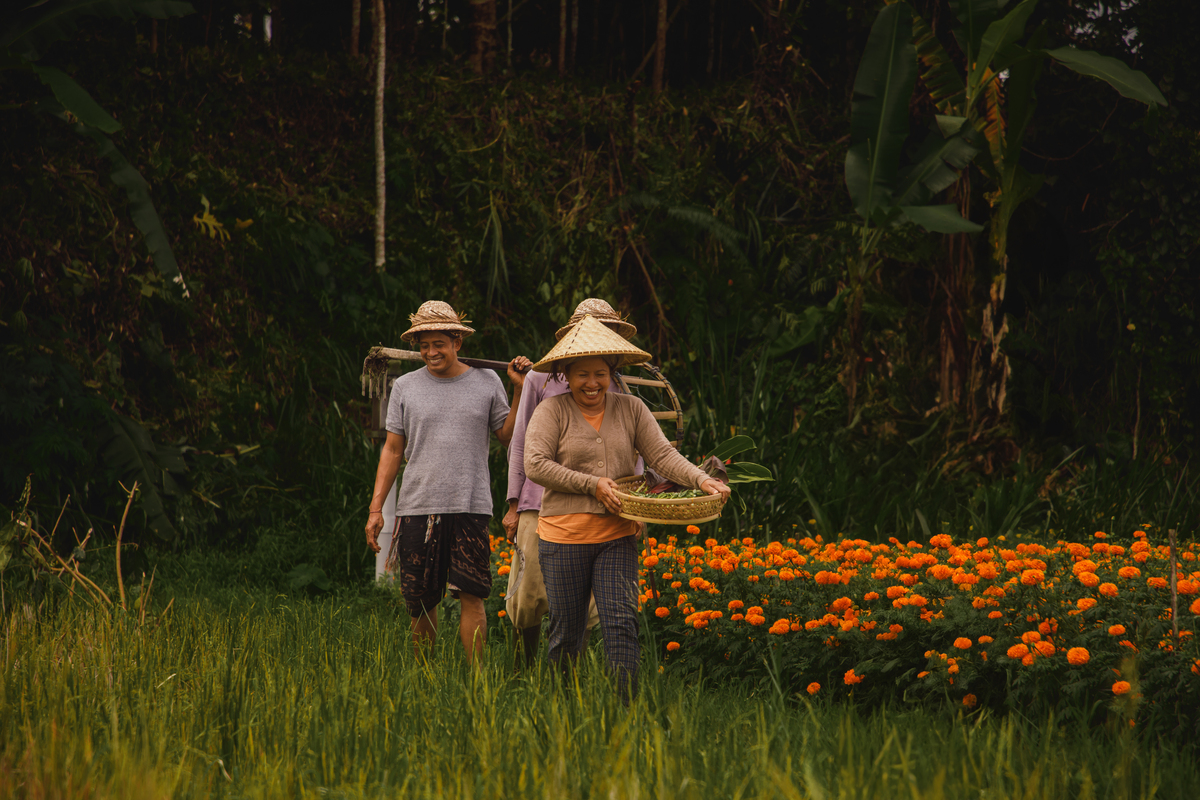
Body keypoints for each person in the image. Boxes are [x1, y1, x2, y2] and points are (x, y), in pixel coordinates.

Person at [524, 315, 730, 701]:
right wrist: (591, 484)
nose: (592, 383)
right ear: (566, 374)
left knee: (621, 624)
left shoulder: (631, 408)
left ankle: (624, 712)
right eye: (582, 374)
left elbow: (663, 456)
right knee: (567, 632)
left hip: (617, 534)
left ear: (612, 372)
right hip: (563, 537)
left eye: (600, 373)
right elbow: (535, 464)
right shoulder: (551, 412)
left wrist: (702, 479)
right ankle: (559, 709)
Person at [364, 300, 530, 664]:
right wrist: (376, 508)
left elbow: (507, 435)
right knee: (420, 600)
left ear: (457, 341)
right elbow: (392, 450)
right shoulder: (406, 387)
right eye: (424, 345)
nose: (430, 352)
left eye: (438, 343)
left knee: (472, 594)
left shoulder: (486, 381)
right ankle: (424, 678)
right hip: (418, 506)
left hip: (470, 505)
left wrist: (518, 390)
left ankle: (477, 683)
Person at [502, 299, 640, 666]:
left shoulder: (621, 388)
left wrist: (639, 505)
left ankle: (576, 678)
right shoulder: (539, 379)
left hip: (607, 508)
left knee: (591, 608)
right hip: (541, 502)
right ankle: (520, 671)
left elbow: (636, 451)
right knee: (529, 597)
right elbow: (521, 444)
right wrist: (514, 504)